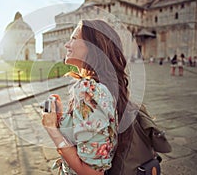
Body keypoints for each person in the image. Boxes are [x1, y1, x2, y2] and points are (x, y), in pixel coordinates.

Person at [41, 19, 131, 175]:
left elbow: (92, 172)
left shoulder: (89, 90)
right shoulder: (104, 86)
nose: (67, 45)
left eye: (74, 38)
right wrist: (64, 118)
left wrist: (52, 129)